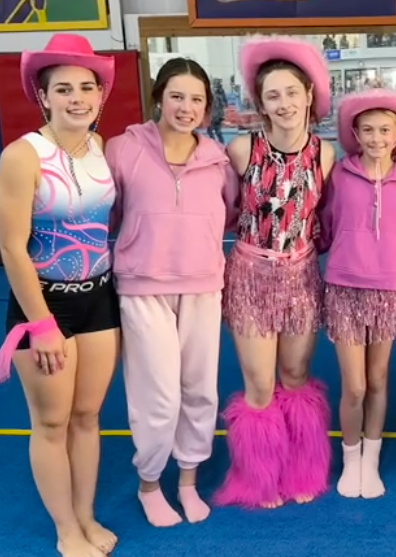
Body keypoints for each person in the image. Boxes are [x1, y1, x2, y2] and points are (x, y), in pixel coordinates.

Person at [105, 58, 239, 527]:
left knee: (199, 389)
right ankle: (149, 483)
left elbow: (233, 215)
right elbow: (110, 213)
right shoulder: (122, 149)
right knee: (157, 395)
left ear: (207, 107)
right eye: (177, 96)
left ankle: (187, 480)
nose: (186, 107)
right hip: (143, 288)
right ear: (159, 96)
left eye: (196, 99)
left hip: (203, 286)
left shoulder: (218, 161)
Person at [0, 33, 119, 557]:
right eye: (63, 89)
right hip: (44, 306)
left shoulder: (100, 147)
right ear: (42, 95)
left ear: (100, 94)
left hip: (100, 299)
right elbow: (10, 247)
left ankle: (86, 515)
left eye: (87, 87)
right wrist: (43, 323)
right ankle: (65, 528)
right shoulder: (23, 155)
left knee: (88, 417)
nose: (77, 98)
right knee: (50, 421)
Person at [213, 36, 337, 510]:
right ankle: (258, 476)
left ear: (309, 94)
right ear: (260, 104)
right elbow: (220, 213)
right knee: (261, 384)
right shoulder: (242, 150)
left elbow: (320, 217)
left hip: (301, 279)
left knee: (296, 373)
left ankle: (302, 467)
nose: (284, 103)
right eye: (272, 96)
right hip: (250, 276)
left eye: (291, 92)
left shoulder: (324, 155)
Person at [317, 88, 396, 499]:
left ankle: (371, 461)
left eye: (385, 130)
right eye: (368, 131)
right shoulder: (340, 174)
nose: (377, 138)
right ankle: (351, 456)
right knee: (354, 385)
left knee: (377, 380)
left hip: (389, 287)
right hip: (344, 285)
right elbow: (322, 219)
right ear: (355, 135)